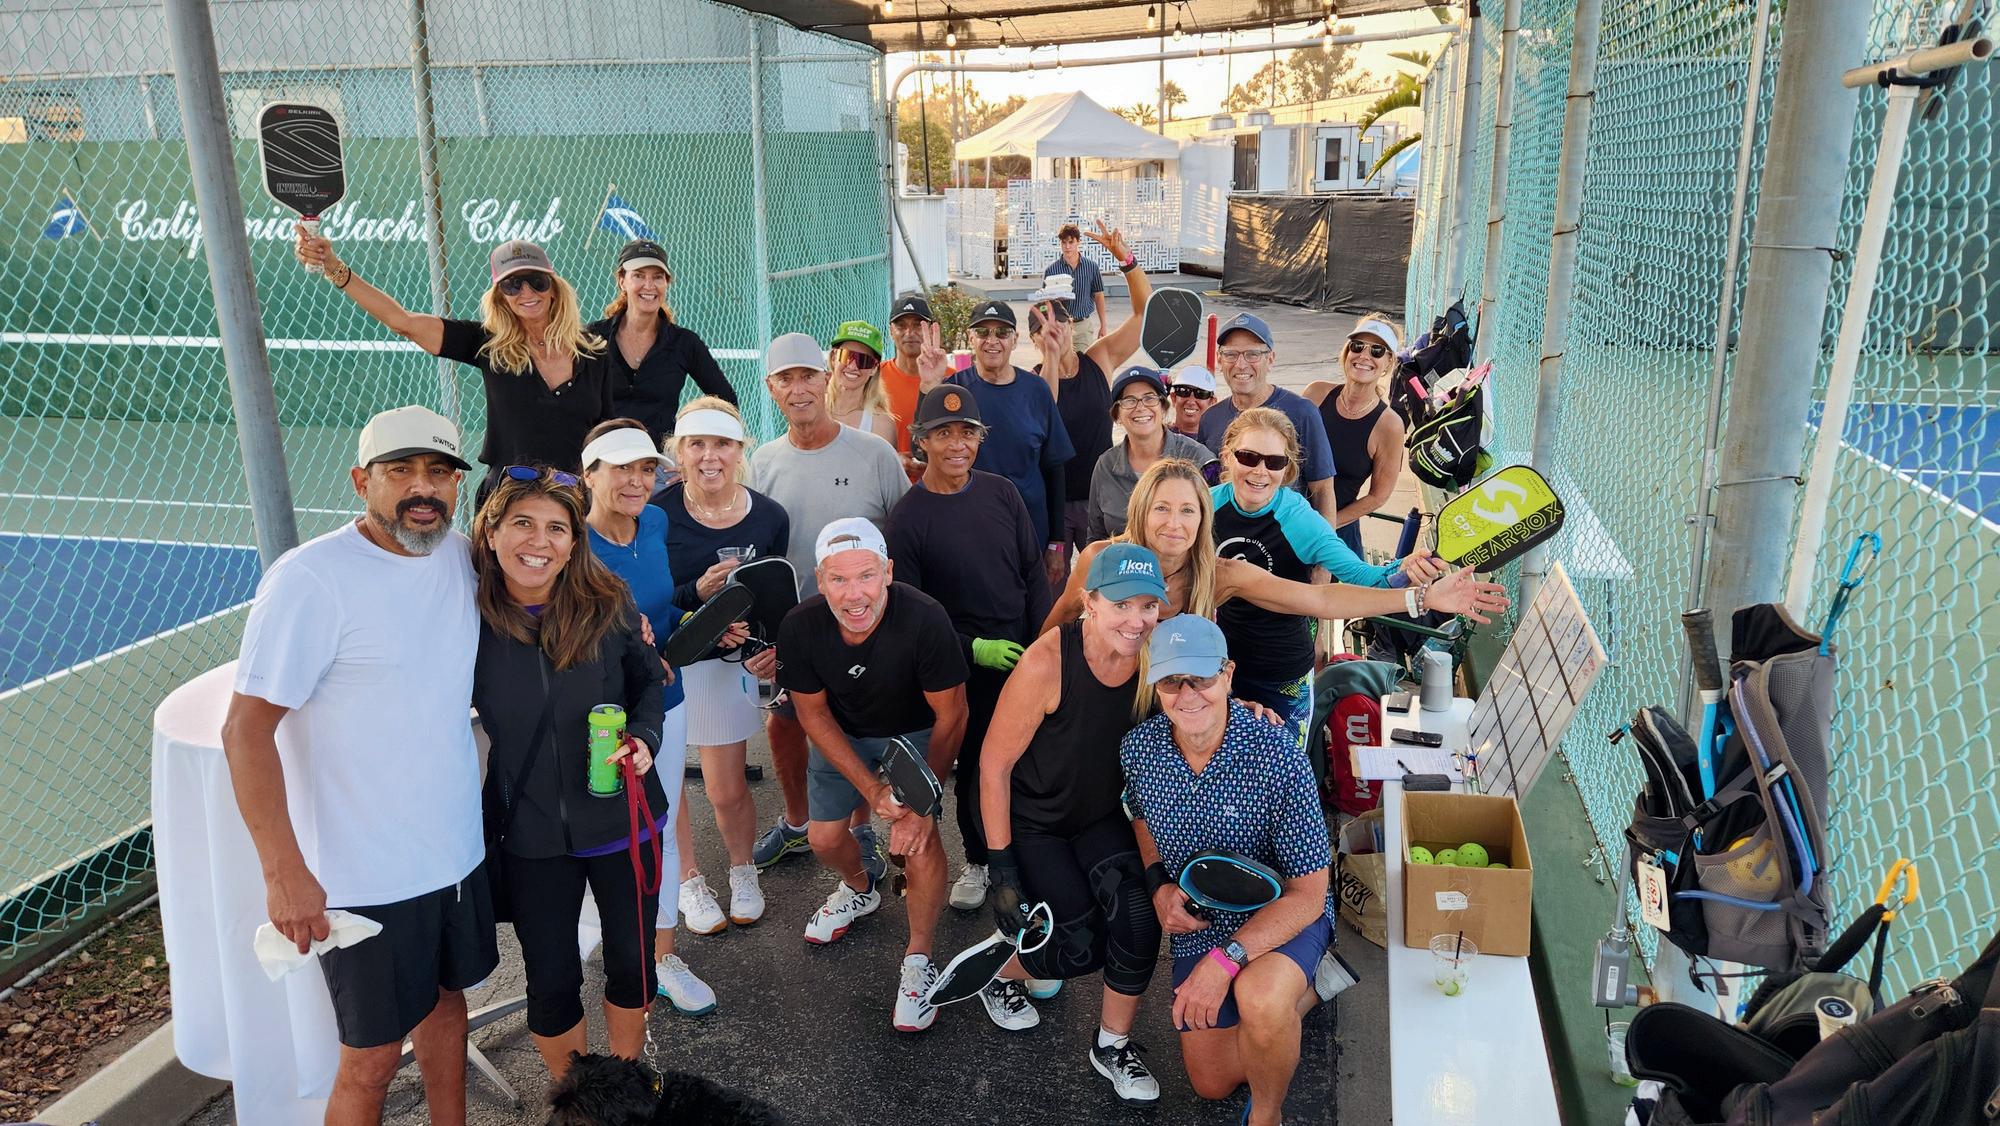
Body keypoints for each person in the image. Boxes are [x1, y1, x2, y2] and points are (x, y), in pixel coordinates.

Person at [223, 406, 494, 1125]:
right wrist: (282, 872)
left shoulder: (462, 557)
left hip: (454, 854)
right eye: (400, 470)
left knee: (447, 1010)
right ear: (360, 481)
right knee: (370, 1061)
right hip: (364, 876)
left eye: (439, 471)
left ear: (457, 485)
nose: (422, 488)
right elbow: (245, 732)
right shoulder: (310, 580)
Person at [470, 467, 670, 1081]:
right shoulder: (465, 617)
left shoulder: (608, 602)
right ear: (491, 532)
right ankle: (573, 1101)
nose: (540, 541)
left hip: (623, 819)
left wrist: (644, 739)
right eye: (522, 523)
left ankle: (624, 1091)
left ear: (574, 540)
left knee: (633, 963)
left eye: (557, 527)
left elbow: (649, 683)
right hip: (530, 832)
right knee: (551, 980)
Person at [1122, 615, 1341, 1124]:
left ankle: (1266, 1113)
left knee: (1259, 997)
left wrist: (1225, 962)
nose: (1187, 694)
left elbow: (1310, 894)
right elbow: (1138, 813)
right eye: (1172, 680)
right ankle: (1310, 993)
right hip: (1202, 916)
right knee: (1211, 1081)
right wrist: (1158, 883)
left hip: (1282, 913)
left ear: (1227, 675)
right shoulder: (1139, 749)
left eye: (1201, 677)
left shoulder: (1277, 754)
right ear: (1155, 685)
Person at [979, 544, 1173, 1098]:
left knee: (1138, 919)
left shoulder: (1153, 657)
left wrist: (1249, 708)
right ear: (1089, 602)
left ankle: (1111, 1046)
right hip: (1033, 821)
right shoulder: (1049, 661)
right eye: (1121, 605)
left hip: (1096, 815)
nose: (1136, 620)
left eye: (1148, 605)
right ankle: (999, 971)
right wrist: (1001, 868)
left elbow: (1204, 692)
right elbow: (993, 766)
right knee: (1079, 943)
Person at [776, 520, 969, 1032]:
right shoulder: (799, 625)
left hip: (916, 731)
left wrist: (922, 805)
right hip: (845, 731)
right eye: (839, 580)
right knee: (822, 839)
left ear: (887, 572)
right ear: (820, 580)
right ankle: (861, 889)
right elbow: (812, 714)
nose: (854, 594)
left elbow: (952, 715)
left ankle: (919, 958)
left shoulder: (925, 617)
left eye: (866, 576)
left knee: (918, 841)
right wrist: (872, 790)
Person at [745, 333, 910, 875]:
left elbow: (903, 536)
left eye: (807, 376)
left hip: (865, 623)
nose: (798, 389)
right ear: (771, 388)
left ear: (826, 378)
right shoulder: (763, 462)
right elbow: (759, 555)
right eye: (785, 379)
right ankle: (797, 823)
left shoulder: (874, 453)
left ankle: (860, 830)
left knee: (856, 730)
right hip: (794, 631)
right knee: (784, 726)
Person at [885, 386, 1052, 914]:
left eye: (967, 433)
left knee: (1034, 760)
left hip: (1024, 653)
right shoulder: (908, 517)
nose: (957, 444)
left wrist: (1045, 641)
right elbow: (910, 615)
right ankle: (979, 860)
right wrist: (971, 649)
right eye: (943, 433)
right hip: (962, 665)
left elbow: (1032, 572)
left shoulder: (1002, 492)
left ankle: (1030, 856)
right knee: (979, 764)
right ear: (922, 441)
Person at [295, 228, 611, 499]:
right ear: (500, 297)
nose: (526, 292)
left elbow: (608, 431)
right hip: (509, 497)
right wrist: (334, 267)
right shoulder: (488, 344)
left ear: (554, 289)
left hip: (576, 497)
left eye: (537, 281)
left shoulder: (594, 352)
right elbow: (402, 322)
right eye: (512, 285)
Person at [1045, 460, 1506, 641]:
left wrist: (1424, 597)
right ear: (1141, 510)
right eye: (1161, 508)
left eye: (1188, 510)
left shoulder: (1218, 574)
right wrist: (1031, 673)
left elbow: (1321, 599)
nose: (1174, 523)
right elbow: (1059, 622)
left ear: (1204, 519)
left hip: (1171, 707)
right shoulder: (1101, 559)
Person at [578, 419, 717, 1017]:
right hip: (600, 714)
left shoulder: (655, 522)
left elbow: (661, 608)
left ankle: (661, 958)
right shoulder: (571, 544)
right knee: (596, 832)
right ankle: (598, 943)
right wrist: (625, 647)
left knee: (656, 828)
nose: (637, 481)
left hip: (665, 701)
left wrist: (697, 618)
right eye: (621, 469)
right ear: (589, 475)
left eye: (645, 469)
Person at [1211, 407, 1443, 744]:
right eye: (1248, 457)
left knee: (1283, 764)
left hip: (1281, 671)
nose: (1260, 471)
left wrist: (1405, 569)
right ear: (1228, 456)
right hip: (1217, 666)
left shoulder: (1298, 519)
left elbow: (1365, 576)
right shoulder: (1205, 506)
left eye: (1274, 462)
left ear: (1288, 469)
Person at [653, 399, 789, 937]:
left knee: (727, 789)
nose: (710, 456)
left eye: (722, 444)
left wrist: (766, 646)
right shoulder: (655, 513)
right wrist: (698, 593)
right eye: (697, 445)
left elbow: (771, 595)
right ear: (679, 452)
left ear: (740, 450)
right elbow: (651, 597)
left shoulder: (770, 515)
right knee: (669, 786)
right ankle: (688, 878)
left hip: (725, 664)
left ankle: (742, 870)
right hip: (669, 659)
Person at [1031, 221, 1154, 567]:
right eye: (1042, 327)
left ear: (1072, 325)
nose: (1054, 330)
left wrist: (1126, 259)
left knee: (1109, 578)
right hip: (1053, 503)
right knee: (1054, 587)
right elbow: (1047, 414)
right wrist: (1052, 358)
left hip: (1102, 495)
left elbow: (1145, 313)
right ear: (1033, 339)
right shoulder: (1032, 383)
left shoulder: (1099, 359)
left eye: (1060, 321)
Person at [937, 301, 1073, 589]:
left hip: (1030, 534)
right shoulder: (953, 390)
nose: (992, 340)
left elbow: (1054, 468)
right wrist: (927, 389)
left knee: (1032, 611)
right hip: (968, 534)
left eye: (1001, 332)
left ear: (1015, 339)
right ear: (970, 338)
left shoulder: (1036, 390)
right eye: (982, 332)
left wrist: (1057, 542)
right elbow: (924, 452)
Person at [587, 239, 738, 479]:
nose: (649, 285)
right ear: (622, 280)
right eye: (639, 275)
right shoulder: (593, 338)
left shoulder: (684, 343)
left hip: (659, 467)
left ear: (666, 282)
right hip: (603, 463)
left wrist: (692, 461)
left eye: (657, 277)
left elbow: (726, 402)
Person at [1196, 313, 1339, 523]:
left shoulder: (1302, 412)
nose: (1241, 364)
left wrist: (1325, 541)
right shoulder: (1210, 418)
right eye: (1231, 354)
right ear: (1219, 360)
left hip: (1284, 537)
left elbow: (1323, 489)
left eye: (1252, 354)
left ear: (1270, 359)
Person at [1305, 315, 1408, 556]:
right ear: (1346, 352)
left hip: (1335, 532)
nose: (1364, 356)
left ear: (1389, 362)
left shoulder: (1390, 425)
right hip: (1288, 518)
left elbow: (1377, 496)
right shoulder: (1315, 394)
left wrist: (1326, 526)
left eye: (1377, 351)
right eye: (1357, 346)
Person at [1087, 367, 1212, 540]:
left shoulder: (1198, 458)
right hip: (1123, 557)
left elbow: (1214, 530)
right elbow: (1096, 535)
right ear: (1117, 415)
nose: (1140, 407)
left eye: (1149, 398)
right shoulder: (1106, 465)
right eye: (1129, 401)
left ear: (1163, 408)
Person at [826, 320, 900, 448]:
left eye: (863, 360)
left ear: (874, 368)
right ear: (833, 358)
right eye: (846, 356)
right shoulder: (812, 409)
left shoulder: (882, 425)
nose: (852, 366)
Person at [1043, 222, 1108, 351]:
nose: (1067, 247)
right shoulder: (1051, 270)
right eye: (1064, 242)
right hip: (1060, 327)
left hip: (1083, 327)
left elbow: (1099, 296)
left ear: (1078, 242)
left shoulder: (1091, 267)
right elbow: (1046, 302)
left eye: (1071, 242)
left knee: (1082, 362)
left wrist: (1103, 325)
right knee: (1061, 363)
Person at [1167, 365, 1219, 452]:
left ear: (1212, 403)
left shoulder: (1220, 445)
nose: (1191, 401)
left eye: (1200, 393)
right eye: (1184, 391)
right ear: (1173, 398)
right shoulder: (1157, 436)